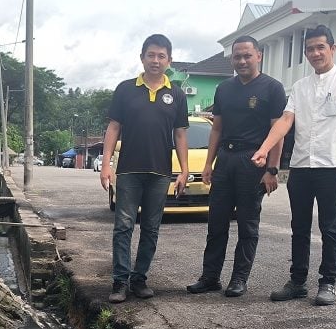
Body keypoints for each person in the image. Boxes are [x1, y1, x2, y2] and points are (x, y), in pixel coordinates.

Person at [252, 24, 336, 306]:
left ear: (332, 49)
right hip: (301, 166)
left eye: (320, 47)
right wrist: (264, 149)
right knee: (299, 226)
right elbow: (286, 120)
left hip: (331, 166)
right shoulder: (301, 87)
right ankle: (298, 281)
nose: (315, 53)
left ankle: (328, 282)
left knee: (329, 227)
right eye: (310, 49)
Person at [186, 36, 286, 298]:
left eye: (247, 56)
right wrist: (208, 163)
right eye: (237, 56)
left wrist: (272, 170)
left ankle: (239, 278)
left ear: (259, 56)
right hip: (225, 160)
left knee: (247, 224)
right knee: (216, 222)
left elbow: (279, 132)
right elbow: (216, 128)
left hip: (253, 161)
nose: (242, 61)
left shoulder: (272, 88)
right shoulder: (224, 89)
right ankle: (210, 277)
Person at [99, 34, 190, 303]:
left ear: (169, 61)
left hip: (160, 172)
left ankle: (139, 278)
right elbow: (113, 128)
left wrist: (183, 170)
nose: (156, 60)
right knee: (123, 226)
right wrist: (106, 165)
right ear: (142, 57)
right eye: (151, 55)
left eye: (162, 56)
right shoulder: (126, 89)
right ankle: (120, 281)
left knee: (151, 228)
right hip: (128, 170)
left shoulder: (176, 94)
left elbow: (181, 134)